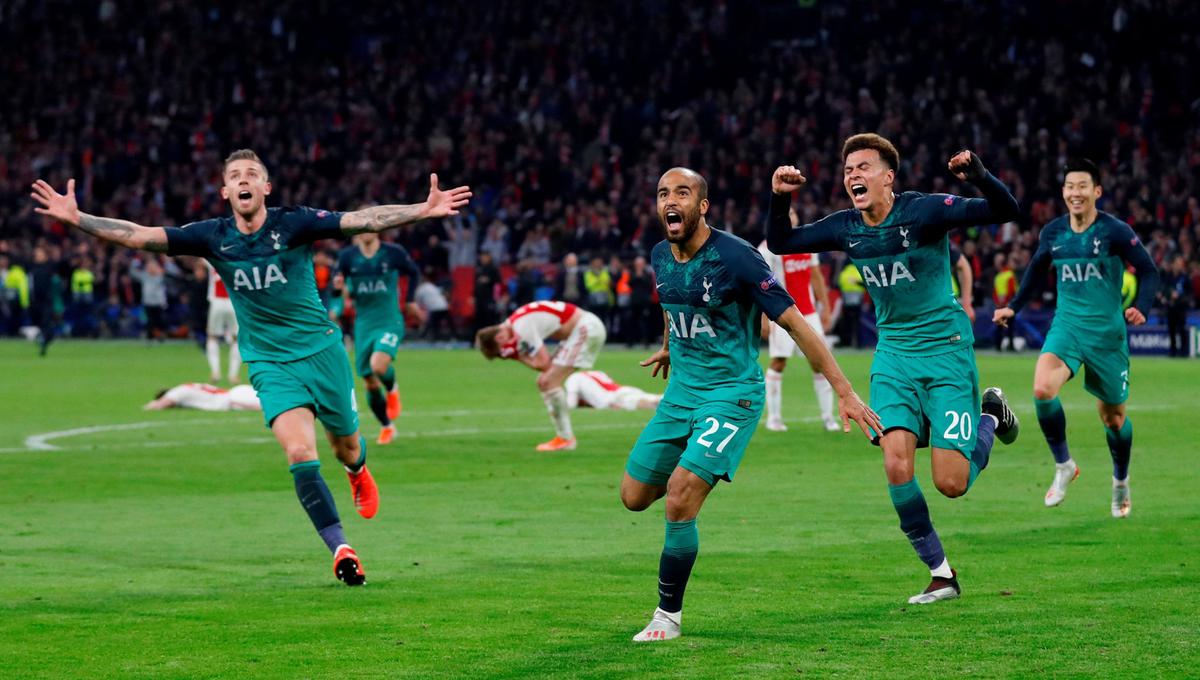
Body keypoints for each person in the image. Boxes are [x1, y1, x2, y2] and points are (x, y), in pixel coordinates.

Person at [31, 148, 471, 585]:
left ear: (265, 188)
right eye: (235, 175)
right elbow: (138, 235)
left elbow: (364, 219)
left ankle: (356, 471)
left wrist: (421, 209)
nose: (243, 180)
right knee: (299, 452)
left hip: (322, 353)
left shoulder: (293, 223)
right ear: (225, 190)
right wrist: (79, 218)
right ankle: (341, 548)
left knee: (346, 448)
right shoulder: (211, 236)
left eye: (252, 174)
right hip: (268, 361)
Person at [622, 167, 880, 642]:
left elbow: (798, 326)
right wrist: (667, 344)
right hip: (681, 393)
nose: (670, 200)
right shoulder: (661, 254)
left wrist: (845, 392)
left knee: (679, 498)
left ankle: (667, 616)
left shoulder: (737, 258)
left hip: (731, 395)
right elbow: (670, 301)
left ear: (703, 207)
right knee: (633, 497)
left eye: (682, 192)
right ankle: (696, 470)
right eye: (662, 193)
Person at [767, 134, 1021, 605]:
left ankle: (991, 415)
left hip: (945, 351)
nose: (853, 176)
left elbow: (1005, 211)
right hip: (894, 357)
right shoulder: (847, 227)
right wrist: (780, 198)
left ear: (889, 176)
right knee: (895, 462)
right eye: (847, 171)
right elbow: (781, 242)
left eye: (863, 167)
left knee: (951, 483)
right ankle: (941, 574)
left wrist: (981, 177)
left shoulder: (924, 212)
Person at [994, 158, 1159, 518]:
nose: (1075, 192)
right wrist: (1014, 307)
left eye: (1082, 186)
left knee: (1112, 419)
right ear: (1064, 192)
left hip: (1107, 336)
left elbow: (1148, 270)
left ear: (1096, 191)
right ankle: (1064, 465)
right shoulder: (1053, 233)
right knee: (1042, 390)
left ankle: (1120, 482)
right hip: (1067, 327)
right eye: (1070, 186)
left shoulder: (1114, 231)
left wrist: (1142, 306)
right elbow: (1037, 270)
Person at [476, 299, 607, 451]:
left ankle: (566, 439)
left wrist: (519, 357)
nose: (504, 352)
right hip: (579, 330)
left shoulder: (521, 328)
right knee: (544, 382)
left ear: (499, 338)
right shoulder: (515, 323)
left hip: (585, 329)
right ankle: (564, 438)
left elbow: (544, 364)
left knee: (548, 381)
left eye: (500, 351)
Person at [759, 205, 839, 433]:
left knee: (820, 363)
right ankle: (774, 418)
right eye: (785, 214)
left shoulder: (806, 242)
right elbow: (759, 285)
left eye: (792, 214)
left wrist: (824, 307)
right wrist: (765, 317)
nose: (790, 217)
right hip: (782, 313)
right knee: (779, 361)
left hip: (809, 312)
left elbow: (815, 275)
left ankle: (828, 418)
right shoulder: (767, 249)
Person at [336, 232, 421, 444]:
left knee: (378, 366)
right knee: (369, 381)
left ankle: (393, 390)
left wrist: (410, 300)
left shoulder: (393, 253)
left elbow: (414, 272)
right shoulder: (347, 257)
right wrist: (339, 295)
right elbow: (340, 287)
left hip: (389, 319)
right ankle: (387, 426)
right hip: (363, 324)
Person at [204, 261, 242, 382]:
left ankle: (215, 372)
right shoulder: (239, 261)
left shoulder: (214, 259)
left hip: (217, 302)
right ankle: (233, 375)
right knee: (237, 339)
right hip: (234, 302)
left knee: (212, 337)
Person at [564, 370, 661, 411]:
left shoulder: (572, 379)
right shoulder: (593, 373)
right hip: (624, 390)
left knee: (648, 404)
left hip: (614, 399)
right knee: (658, 398)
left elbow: (571, 404)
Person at [144, 382, 261, 411]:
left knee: (269, 407)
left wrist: (149, 406)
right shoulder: (187, 386)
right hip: (238, 390)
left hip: (233, 400)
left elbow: (164, 403)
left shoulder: (176, 392)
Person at [1162, 255, 1192, 357]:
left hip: (1181, 307)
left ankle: (1184, 351)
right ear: (1173, 264)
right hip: (1171, 307)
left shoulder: (1185, 277)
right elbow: (1164, 289)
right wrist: (1169, 295)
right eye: (1177, 263)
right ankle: (1173, 351)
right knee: (1171, 330)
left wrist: (1180, 296)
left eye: (1181, 264)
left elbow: (1189, 292)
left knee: (1181, 329)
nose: (1179, 265)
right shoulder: (1168, 276)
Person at [992, 253, 1018, 351]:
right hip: (1008, 304)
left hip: (999, 305)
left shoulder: (998, 276)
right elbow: (1011, 291)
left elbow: (995, 292)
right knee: (1010, 326)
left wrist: (998, 303)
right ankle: (1011, 346)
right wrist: (1009, 302)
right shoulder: (1010, 275)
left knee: (999, 326)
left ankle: (998, 346)